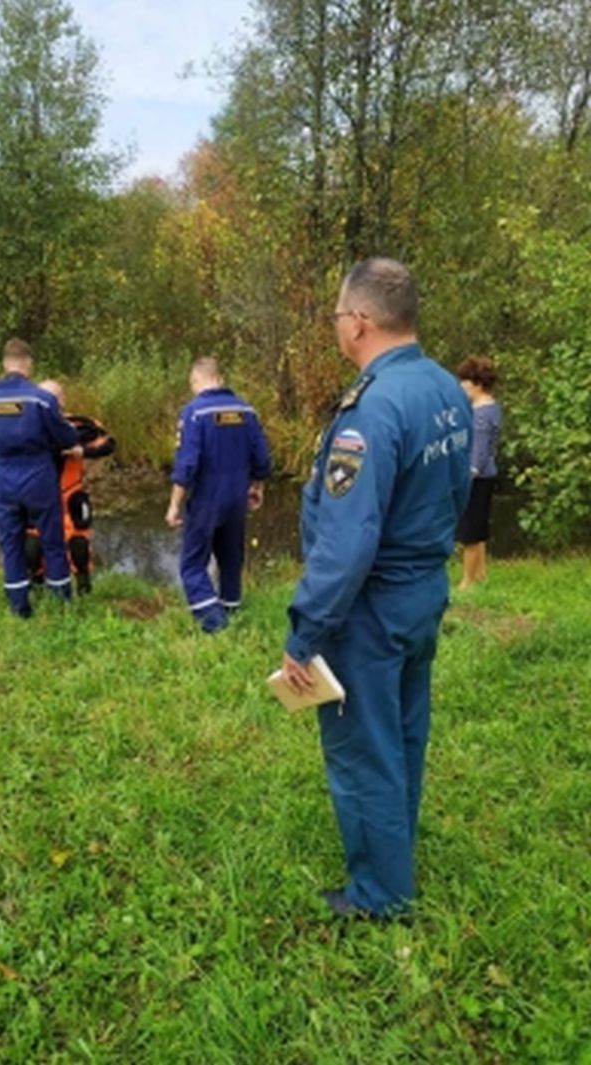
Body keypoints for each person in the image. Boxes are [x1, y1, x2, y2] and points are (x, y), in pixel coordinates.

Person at [279, 258, 472, 921]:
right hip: (424, 589)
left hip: (372, 605)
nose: (339, 327)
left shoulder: (374, 405)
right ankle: (396, 850)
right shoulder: (447, 387)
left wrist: (304, 635)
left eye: (338, 316)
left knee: (363, 744)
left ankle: (380, 894)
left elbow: (347, 540)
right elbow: (457, 493)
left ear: (359, 320)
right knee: (405, 730)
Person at [0, 338, 79, 618]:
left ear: (4, 363)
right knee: (52, 539)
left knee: (11, 542)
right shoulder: (41, 400)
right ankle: (61, 604)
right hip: (38, 473)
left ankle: (20, 607)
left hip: (5, 474)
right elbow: (66, 436)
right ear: (28, 364)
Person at [166, 356, 271, 634]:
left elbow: (187, 464)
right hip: (237, 495)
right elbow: (261, 456)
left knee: (192, 563)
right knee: (230, 557)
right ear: (220, 379)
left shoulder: (194, 412)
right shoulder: (247, 411)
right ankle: (231, 607)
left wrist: (175, 504)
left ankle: (214, 622)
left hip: (206, 497)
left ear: (196, 381)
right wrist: (257, 486)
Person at [26, 379, 116, 595]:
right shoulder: (26, 426)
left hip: (71, 494)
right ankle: (37, 589)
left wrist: (81, 451)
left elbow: (109, 444)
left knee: (78, 546)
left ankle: (84, 590)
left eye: (54, 398)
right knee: (32, 548)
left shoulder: (79, 425)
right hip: (38, 497)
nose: (49, 403)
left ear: (63, 399)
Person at [455, 356, 502, 590]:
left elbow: (480, 449)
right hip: (484, 476)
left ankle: (467, 581)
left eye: (464, 381)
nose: (461, 386)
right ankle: (481, 575)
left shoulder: (483, 412)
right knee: (478, 528)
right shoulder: (488, 407)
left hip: (478, 477)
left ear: (477, 383)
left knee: (470, 533)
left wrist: (469, 474)